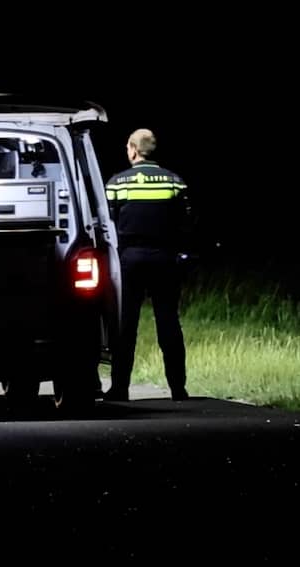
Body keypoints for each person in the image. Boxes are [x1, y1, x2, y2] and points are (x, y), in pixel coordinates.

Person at [104, 129, 194, 401]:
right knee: (168, 322)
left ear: (133, 149)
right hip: (164, 258)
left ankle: (120, 388)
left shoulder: (117, 183)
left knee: (126, 325)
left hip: (129, 259)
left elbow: (107, 223)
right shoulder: (174, 182)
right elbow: (187, 223)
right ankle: (178, 388)